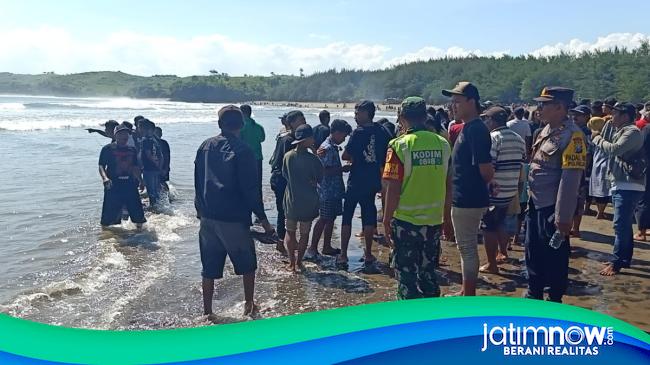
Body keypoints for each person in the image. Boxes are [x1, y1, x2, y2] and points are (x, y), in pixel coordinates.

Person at [194, 105, 275, 318]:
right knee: (247, 265)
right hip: (233, 218)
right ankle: (249, 306)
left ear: (220, 124)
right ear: (242, 124)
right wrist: (264, 221)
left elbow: (197, 180)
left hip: (207, 217)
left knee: (209, 269)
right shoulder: (243, 150)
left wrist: (199, 210)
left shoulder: (205, 146)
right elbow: (250, 190)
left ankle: (208, 313)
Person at [382, 97, 452, 299]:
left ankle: (409, 322)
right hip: (433, 221)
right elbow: (449, 184)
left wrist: (386, 219)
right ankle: (431, 319)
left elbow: (392, 188)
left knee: (406, 276)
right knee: (428, 273)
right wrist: (447, 218)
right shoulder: (443, 144)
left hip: (406, 222)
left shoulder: (398, 145)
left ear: (402, 118)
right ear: (425, 117)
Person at [527, 86, 585, 302]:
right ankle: (534, 294)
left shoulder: (573, 137)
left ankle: (554, 301)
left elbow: (569, 180)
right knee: (533, 253)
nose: (539, 108)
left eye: (544, 104)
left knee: (555, 259)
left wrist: (563, 219)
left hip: (552, 208)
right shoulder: (545, 130)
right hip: (536, 203)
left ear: (559, 107)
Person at [442, 82, 494, 296]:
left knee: (467, 248)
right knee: (466, 247)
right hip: (465, 196)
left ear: (471, 102)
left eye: (457, 101)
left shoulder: (476, 129)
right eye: (452, 102)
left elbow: (486, 170)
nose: (453, 106)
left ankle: (469, 293)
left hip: (468, 198)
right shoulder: (468, 127)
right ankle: (466, 290)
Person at [593, 103, 645, 276]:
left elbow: (614, 149)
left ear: (624, 116)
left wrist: (597, 138)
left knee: (619, 225)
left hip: (629, 184)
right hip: (622, 183)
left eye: (614, 113)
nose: (611, 116)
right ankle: (623, 259)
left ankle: (616, 263)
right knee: (624, 225)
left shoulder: (632, 132)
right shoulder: (620, 130)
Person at [338, 100, 391, 267]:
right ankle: (368, 254)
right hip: (372, 180)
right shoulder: (382, 131)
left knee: (347, 217)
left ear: (367, 113)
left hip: (356, 180)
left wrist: (356, 159)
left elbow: (345, 155)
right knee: (368, 217)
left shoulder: (358, 133)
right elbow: (387, 153)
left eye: (357, 113)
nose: (355, 116)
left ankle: (344, 254)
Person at [479, 106, 525, 274]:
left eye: (486, 119)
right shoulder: (517, 138)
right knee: (501, 222)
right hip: (510, 190)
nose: (484, 122)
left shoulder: (493, 138)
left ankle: (492, 264)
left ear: (492, 121)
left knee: (488, 227)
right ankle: (502, 252)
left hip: (494, 191)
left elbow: (489, 167)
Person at [308, 119, 352, 259]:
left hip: (334, 190)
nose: (344, 139)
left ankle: (326, 246)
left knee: (331, 218)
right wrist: (342, 169)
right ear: (337, 133)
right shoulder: (326, 148)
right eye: (344, 136)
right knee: (323, 218)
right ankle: (312, 248)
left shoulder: (332, 146)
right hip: (327, 190)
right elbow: (324, 171)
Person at [282, 123, 324, 272]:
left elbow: (284, 175)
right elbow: (320, 178)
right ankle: (299, 262)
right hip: (308, 201)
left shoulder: (288, 156)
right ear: (307, 140)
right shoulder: (312, 159)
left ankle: (291, 262)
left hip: (291, 199)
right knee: (304, 233)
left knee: (290, 231)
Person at [269, 111, 306, 252]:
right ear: (291, 123)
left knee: (285, 211)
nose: (303, 122)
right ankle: (280, 243)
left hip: (279, 177)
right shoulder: (289, 140)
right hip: (281, 179)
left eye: (304, 119)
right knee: (283, 211)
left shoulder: (286, 137)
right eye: (300, 120)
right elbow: (289, 164)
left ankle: (286, 241)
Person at [98, 123, 146, 229]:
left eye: (126, 134)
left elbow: (135, 167)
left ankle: (140, 235)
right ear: (115, 135)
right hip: (113, 185)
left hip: (130, 184)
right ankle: (109, 237)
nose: (124, 136)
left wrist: (141, 181)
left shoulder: (132, 150)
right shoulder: (107, 149)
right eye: (121, 134)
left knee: (138, 214)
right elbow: (101, 165)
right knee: (109, 218)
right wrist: (105, 178)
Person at [569, 105, 593, 236]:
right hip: (571, 168)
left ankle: (576, 228)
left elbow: (588, 154)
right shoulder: (572, 130)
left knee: (578, 201)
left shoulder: (586, 132)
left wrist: (582, 170)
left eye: (579, 115)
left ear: (586, 117)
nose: (575, 117)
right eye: (574, 114)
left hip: (581, 171)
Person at [239, 104, 266, 211]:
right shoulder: (259, 127)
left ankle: (245, 209)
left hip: (244, 159)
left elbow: (237, 140)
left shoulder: (240, 127)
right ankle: (259, 210)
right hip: (257, 158)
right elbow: (262, 139)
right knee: (257, 186)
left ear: (241, 113)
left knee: (244, 184)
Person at [589, 115, 611, 220]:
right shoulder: (608, 136)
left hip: (596, 164)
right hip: (606, 164)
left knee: (598, 188)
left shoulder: (593, 136)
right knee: (604, 189)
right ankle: (601, 212)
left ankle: (599, 212)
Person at [139, 119, 163, 207]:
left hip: (149, 168)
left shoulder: (145, 140)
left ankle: (155, 209)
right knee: (155, 191)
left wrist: (142, 166)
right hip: (156, 169)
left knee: (151, 191)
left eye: (139, 127)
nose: (138, 129)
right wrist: (159, 167)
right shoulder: (154, 140)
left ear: (144, 128)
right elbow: (161, 155)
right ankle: (158, 206)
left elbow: (148, 155)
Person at [635, 117, 650, 241]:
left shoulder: (647, 129)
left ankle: (641, 232)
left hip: (647, 168)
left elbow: (641, 148)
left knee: (644, 200)